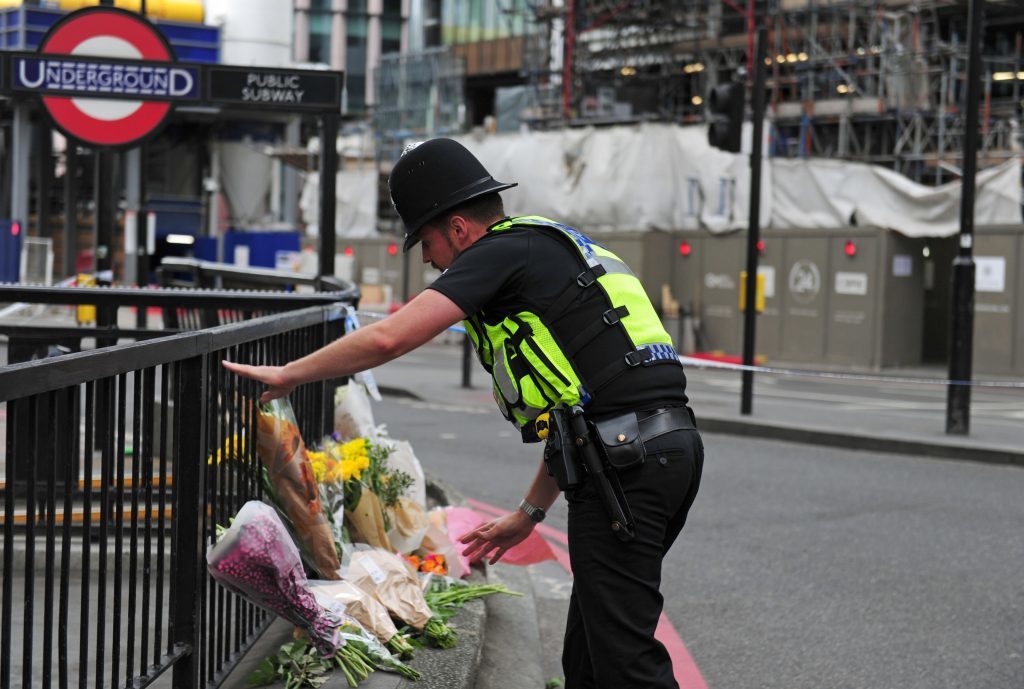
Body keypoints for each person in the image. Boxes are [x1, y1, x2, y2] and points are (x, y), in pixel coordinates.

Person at [223, 137, 703, 689]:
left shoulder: (499, 252)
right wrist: (529, 512)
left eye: (425, 241)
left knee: (624, 661)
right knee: (591, 654)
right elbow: (578, 409)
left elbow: (389, 338)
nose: (427, 259)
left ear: (457, 227)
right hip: (653, 450)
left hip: (629, 466)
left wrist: (287, 374)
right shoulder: (545, 248)